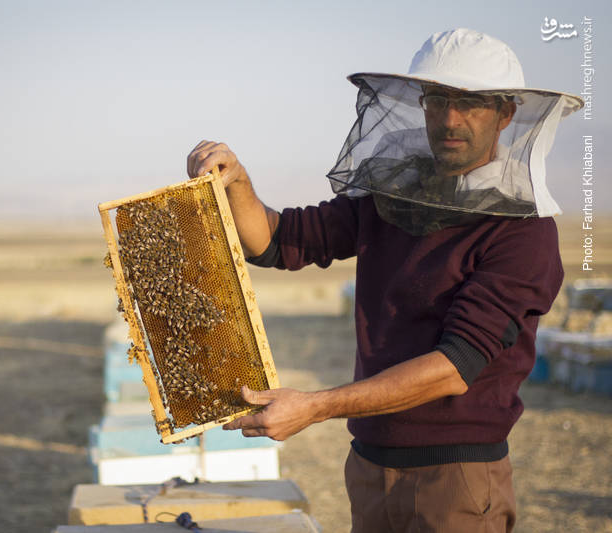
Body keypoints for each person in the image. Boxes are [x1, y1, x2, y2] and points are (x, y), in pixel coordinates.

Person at [186, 29, 583, 532]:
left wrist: (315, 407)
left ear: (506, 114)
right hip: (370, 466)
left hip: (455, 479)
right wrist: (237, 182)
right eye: (437, 100)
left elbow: (454, 366)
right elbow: (279, 240)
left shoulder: (523, 235)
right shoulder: (393, 197)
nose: (449, 119)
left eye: (471, 104)